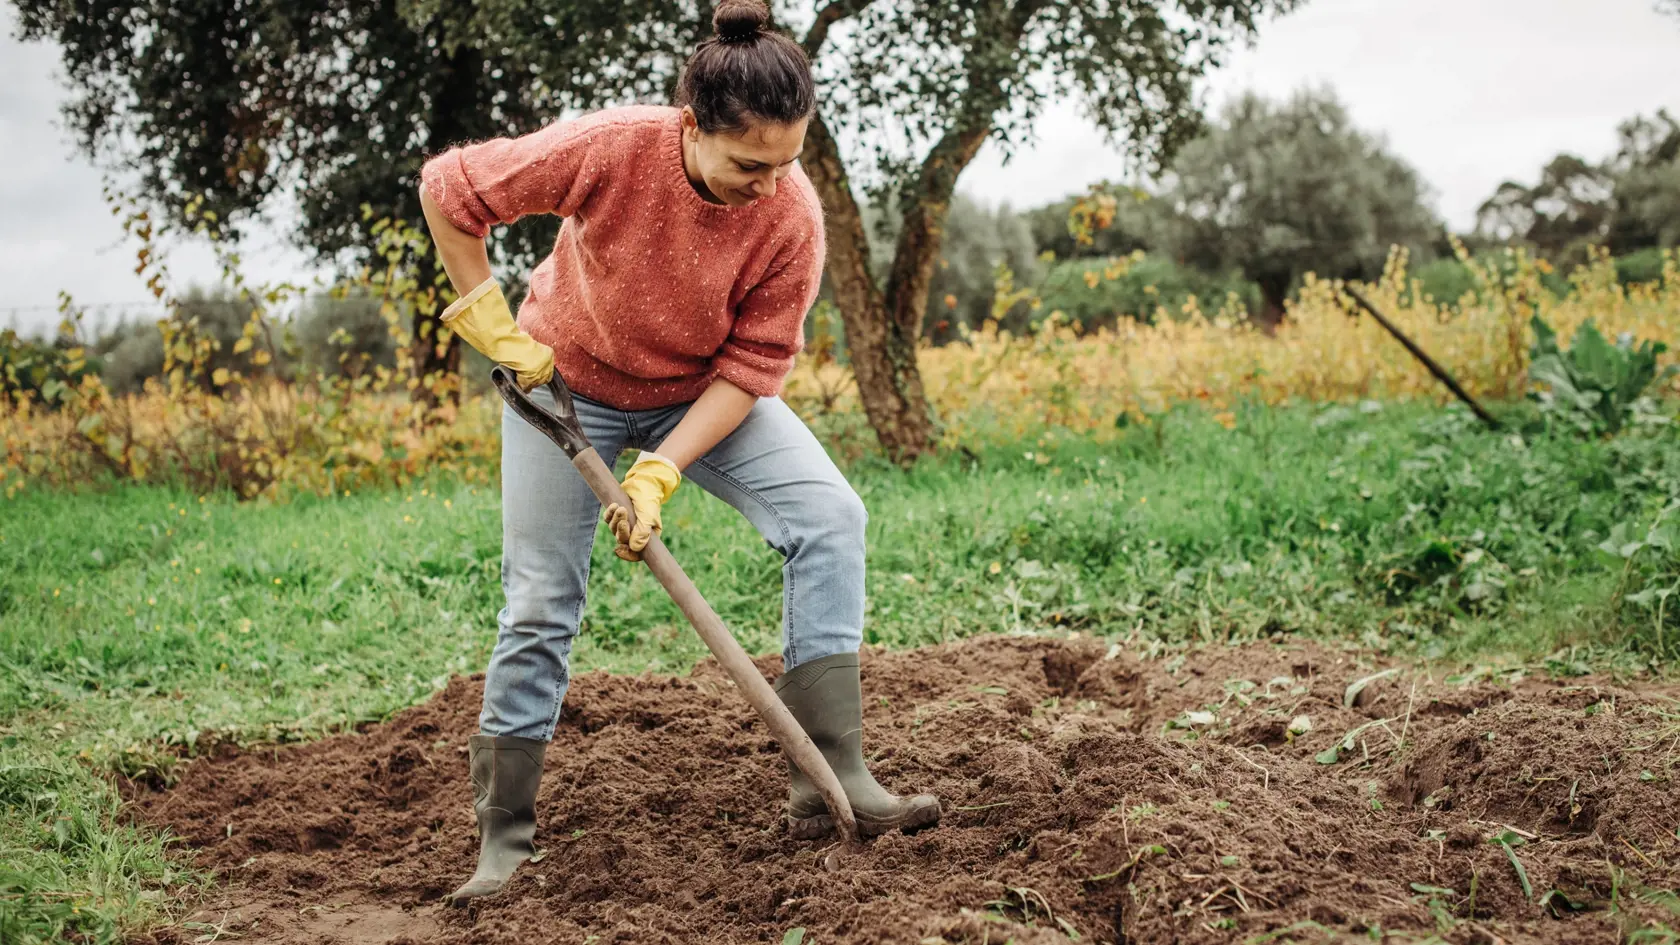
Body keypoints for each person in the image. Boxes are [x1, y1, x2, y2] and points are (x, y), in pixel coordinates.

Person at [417, 0, 941, 906]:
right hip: (562, 388)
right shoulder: (617, 146)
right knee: (541, 597)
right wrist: (493, 325)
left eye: (789, 160)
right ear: (692, 127)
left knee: (830, 517)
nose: (771, 184)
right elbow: (450, 189)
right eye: (749, 162)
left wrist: (661, 467)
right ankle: (503, 838)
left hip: (699, 395)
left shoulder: (793, 220)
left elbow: (752, 366)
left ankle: (835, 778)